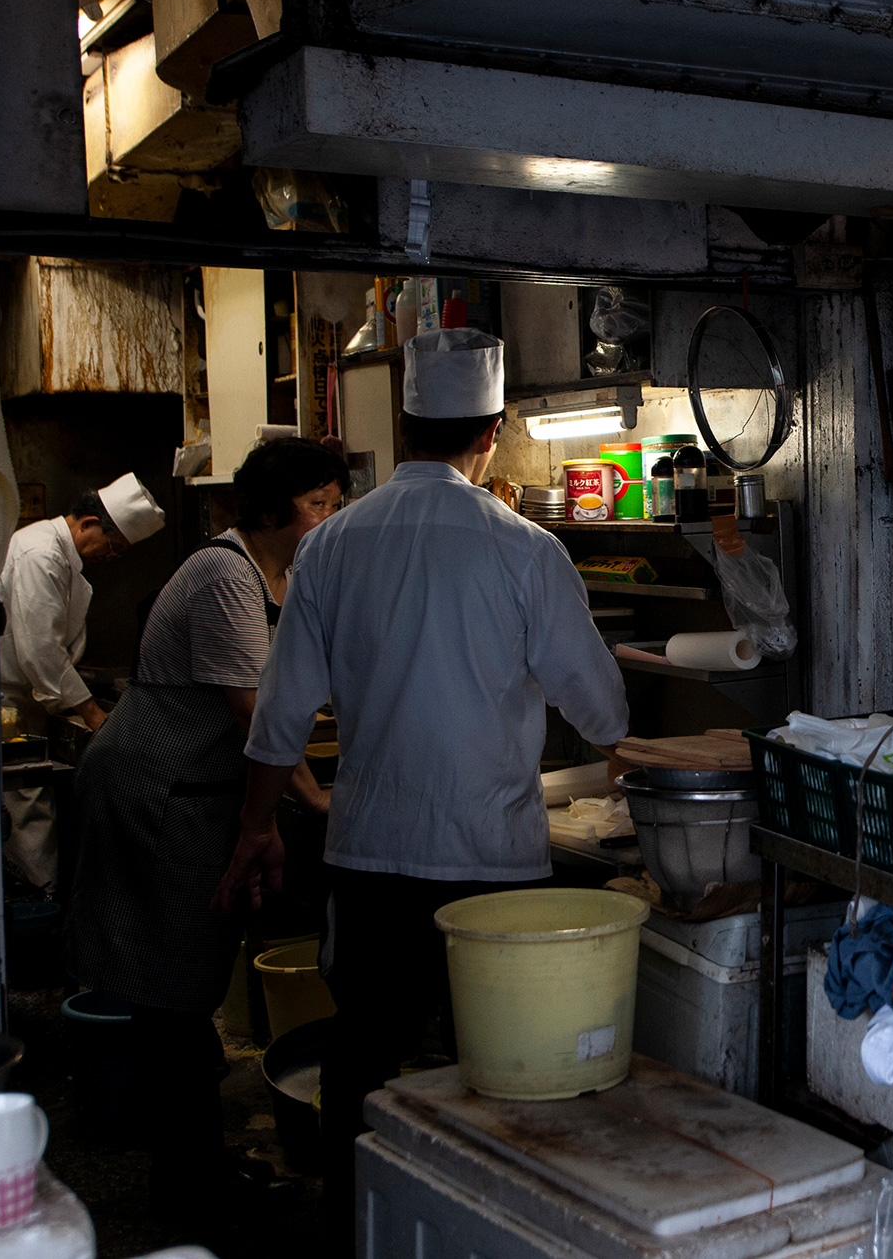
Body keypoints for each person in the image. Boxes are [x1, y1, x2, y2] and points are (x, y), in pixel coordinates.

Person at [213, 328, 629, 1244]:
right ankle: (480, 1234)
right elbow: (603, 708)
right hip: (494, 869)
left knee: (363, 1058)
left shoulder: (329, 548)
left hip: (370, 858)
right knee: (494, 1066)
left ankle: (356, 1234)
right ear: (492, 432)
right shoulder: (526, 551)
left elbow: (278, 721)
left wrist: (255, 828)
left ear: (404, 426)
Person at [64, 438, 348, 1222]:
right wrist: (314, 803)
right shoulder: (226, 573)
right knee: (172, 995)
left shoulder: (285, 576)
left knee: (186, 990)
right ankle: (185, 1190)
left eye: (334, 502)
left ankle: (197, 1168)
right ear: (269, 510)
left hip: (199, 789)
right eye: (316, 504)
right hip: (157, 788)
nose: (329, 517)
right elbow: (256, 712)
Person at [0, 473, 164, 893]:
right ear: (88, 523)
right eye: (111, 546)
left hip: (28, 700)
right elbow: (39, 650)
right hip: (9, 706)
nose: (111, 557)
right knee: (28, 809)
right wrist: (91, 712)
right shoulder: (41, 553)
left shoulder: (60, 555)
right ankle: (40, 901)